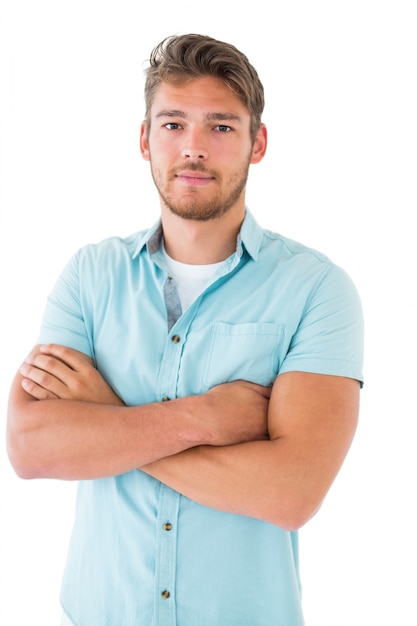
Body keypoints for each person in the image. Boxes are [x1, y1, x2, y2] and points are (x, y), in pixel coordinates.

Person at [6, 33, 364, 626]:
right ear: (145, 140)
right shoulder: (91, 275)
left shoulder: (317, 290)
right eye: (173, 124)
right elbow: (30, 447)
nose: (193, 148)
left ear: (258, 143)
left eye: (221, 127)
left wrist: (107, 419)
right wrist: (208, 419)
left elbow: (291, 493)